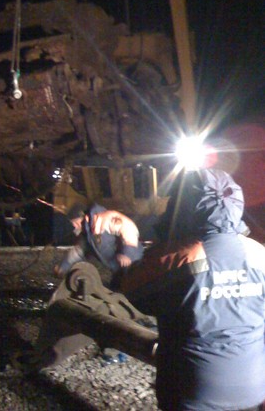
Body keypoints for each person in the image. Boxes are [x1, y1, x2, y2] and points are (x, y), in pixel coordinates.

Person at [92, 168, 265, 411]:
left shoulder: (179, 258)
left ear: (184, 208)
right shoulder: (259, 253)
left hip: (192, 391)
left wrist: (128, 236)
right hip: (253, 390)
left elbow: (131, 289)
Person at [54, 202, 143, 287]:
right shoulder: (88, 237)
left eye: (75, 222)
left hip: (135, 262)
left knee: (137, 285)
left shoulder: (105, 219)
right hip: (119, 270)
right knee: (118, 288)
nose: (74, 226)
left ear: (83, 218)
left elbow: (127, 227)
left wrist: (128, 253)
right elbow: (77, 252)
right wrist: (63, 268)